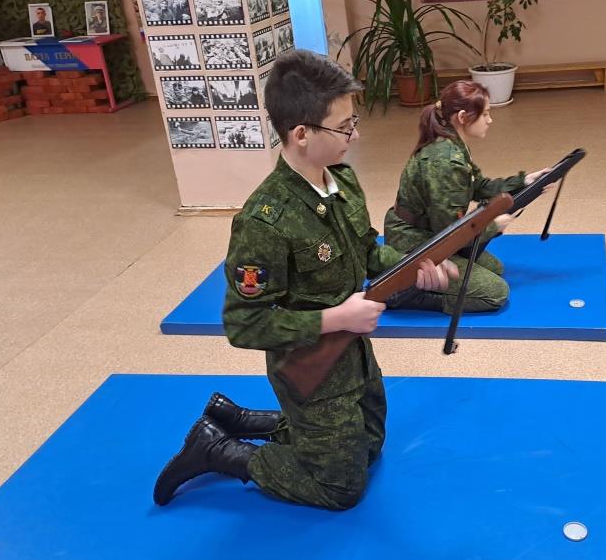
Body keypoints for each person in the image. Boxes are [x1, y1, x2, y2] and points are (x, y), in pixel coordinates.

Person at [153, 49, 458, 510]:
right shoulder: (265, 221)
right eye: (344, 127)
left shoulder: (342, 181)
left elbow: (368, 252)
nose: (355, 135)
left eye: (354, 123)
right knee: (340, 488)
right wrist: (336, 318)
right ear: (301, 134)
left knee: (371, 445)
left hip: (351, 353)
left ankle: (247, 420)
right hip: (307, 365)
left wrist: (415, 265)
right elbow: (244, 324)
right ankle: (216, 449)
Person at [383, 80, 550, 313]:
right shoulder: (446, 161)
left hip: (430, 231)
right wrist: (493, 226)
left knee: (496, 268)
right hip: (414, 241)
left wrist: (524, 182)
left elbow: (478, 186)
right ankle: (407, 295)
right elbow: (449, 233)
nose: (490, 120)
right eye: (485, 114)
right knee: (495, 294)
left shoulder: (455, 145)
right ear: (463, 117)